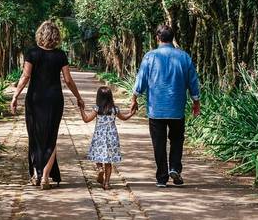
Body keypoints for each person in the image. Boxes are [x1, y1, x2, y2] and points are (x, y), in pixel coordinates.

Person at [11, 20, 85, 190]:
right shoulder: (60, 55)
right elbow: (67, 80)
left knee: (35, 137)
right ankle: (45, 176)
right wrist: (78, 97)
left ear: (40, 34)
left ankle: (36, 174)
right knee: (51, 138)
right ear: (56, 36)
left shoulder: (32, 53)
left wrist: (15, 96)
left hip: (35, 99)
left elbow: (25, 77)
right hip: (54, 100)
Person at [130, 24, 201, 188]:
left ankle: (162, 178)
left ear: (157, 37)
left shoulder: (150, 57)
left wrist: (134, 98)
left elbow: (141, 80)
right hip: (177, 109)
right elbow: (193, 82)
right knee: (177, 140)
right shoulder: (184, 57)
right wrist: (196, 102)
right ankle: (175, 168)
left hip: (156, 110)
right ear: (172, 38)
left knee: (158, 143)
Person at [80, 86, 136, 190]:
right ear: (111, 97)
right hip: (112, 137)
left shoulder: (97, 109)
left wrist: (81, 109)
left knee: (98, 155)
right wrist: (131, 113)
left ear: (99, 97)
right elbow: (124, 118)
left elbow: (86, 119)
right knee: (109, 162)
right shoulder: (115, 109)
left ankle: (99, 168)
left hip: (99, 137)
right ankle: (106, 183)